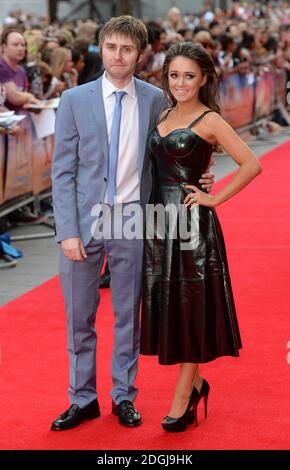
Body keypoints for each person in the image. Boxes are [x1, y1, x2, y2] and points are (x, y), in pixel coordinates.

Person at [51, 17, 214, 431]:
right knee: (78, 318)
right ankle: (82, 398)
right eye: (111, 48)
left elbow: (179, 147)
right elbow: (63, 171)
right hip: (85, 221)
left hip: (134, 219)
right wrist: (67, 230)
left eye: (127, 49)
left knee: (129, 316)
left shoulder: (157, 99)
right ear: (101, 49)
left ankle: (123, 395)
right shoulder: (73, 99)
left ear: (140, 54)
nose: (118, 56)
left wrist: (200, 176)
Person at [140, 42, 262, 432]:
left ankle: (182, 396)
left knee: (190, 305)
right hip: (159, 224)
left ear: (204, 78)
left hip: (193, 227)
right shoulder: (163, 113)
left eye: (189, 76)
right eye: (174, 75)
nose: (180, 82)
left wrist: (213, 197)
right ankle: (195, 384)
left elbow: (251, 163)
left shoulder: (209, 120)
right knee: (171, 304)